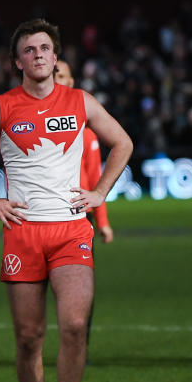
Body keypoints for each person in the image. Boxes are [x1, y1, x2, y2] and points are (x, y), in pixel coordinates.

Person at [0, 19, 134, 382]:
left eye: (45, 48)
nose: (38, 55)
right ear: (17, 61)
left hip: (71, 228)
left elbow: (123, 143)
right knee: (29, 337)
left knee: (75, 325)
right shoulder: (1, 107)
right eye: (29, 50)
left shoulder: (80, 101)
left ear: (56, 57)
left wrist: (99, 193)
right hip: (22, 232)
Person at [54, 59, 114, 244]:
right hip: (43, 214)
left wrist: (102, 220)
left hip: (79, 214)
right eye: (53, 76)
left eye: (61, 76)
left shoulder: (85, 129)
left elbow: (94, 175)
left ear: (71, 83)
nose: (56, 80)